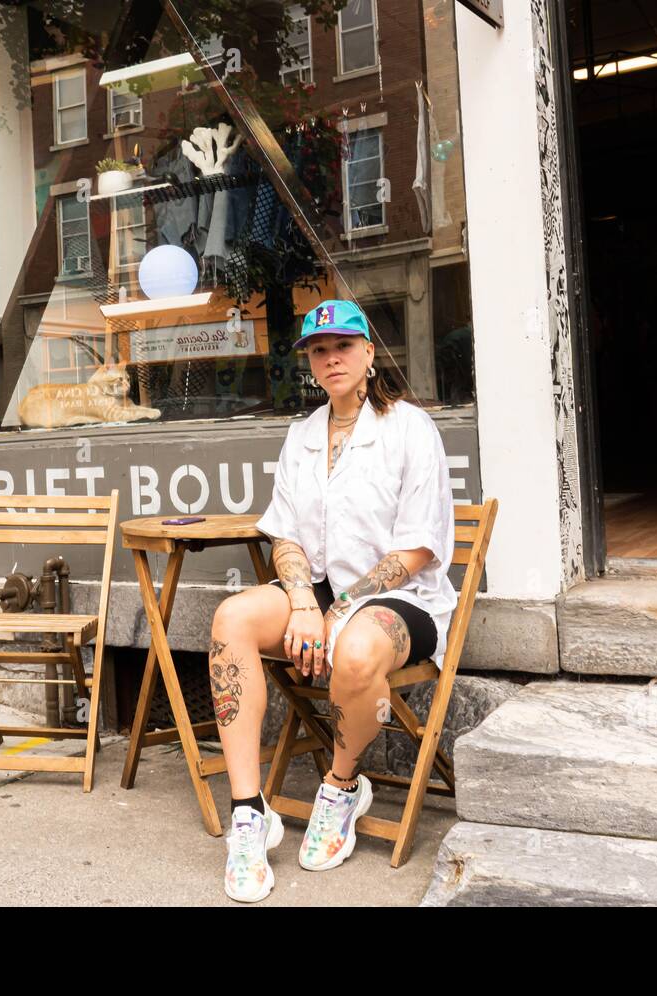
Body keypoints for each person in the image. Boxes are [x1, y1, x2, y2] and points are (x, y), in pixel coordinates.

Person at [209, 298, 458, 902]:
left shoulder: (408, 428)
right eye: (319, 350)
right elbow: (287, 535)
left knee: (354, 648)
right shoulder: (302, 436)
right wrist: (300, 600)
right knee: (231, 619)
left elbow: (419, 549)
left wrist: (339, 607)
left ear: (370, 352)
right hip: (318, 591)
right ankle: (248, 814)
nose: (331, 358)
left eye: (343, 345)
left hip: (402, 597)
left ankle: (342, 786)